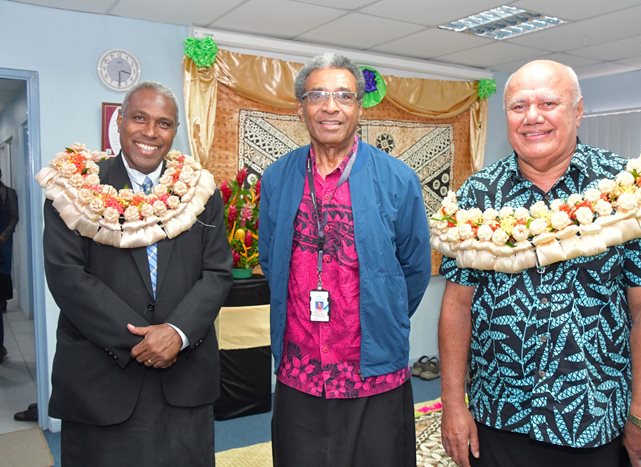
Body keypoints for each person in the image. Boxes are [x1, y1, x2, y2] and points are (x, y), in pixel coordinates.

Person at [437, 60, 641, 467]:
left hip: (594, 419)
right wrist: (452, 404)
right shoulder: (476, 195)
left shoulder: (628, 190)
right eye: (519, 106)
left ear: (578, 110)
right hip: (498, 416)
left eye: (548, 103)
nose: (532, 117)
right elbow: (457, 306)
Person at [40, 81, 233, 466]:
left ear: (174, 131)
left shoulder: (200, 191)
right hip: (101, 378)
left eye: (163, 123)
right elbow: (67, 276)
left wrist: (175, 332)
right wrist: (143, 340)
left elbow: (217, 272)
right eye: (139, 118)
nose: (150, 132)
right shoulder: (75, 187)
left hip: (184, 377)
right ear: (120, 121)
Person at [259, 52, 432, 467]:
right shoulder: (278, 177)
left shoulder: (397, 179)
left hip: (372, 369)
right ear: (300, 107)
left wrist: (380, 312)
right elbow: (269, 257)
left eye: (343, 96)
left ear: (359, 107)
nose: (330, 107)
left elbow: (415, 269)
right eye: (317, 95)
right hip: (300, 368)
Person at [0, 168, 17, 363]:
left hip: (3, 242)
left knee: (4, 276)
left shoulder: (8, 193)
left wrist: (4, 236)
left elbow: (14, 217)